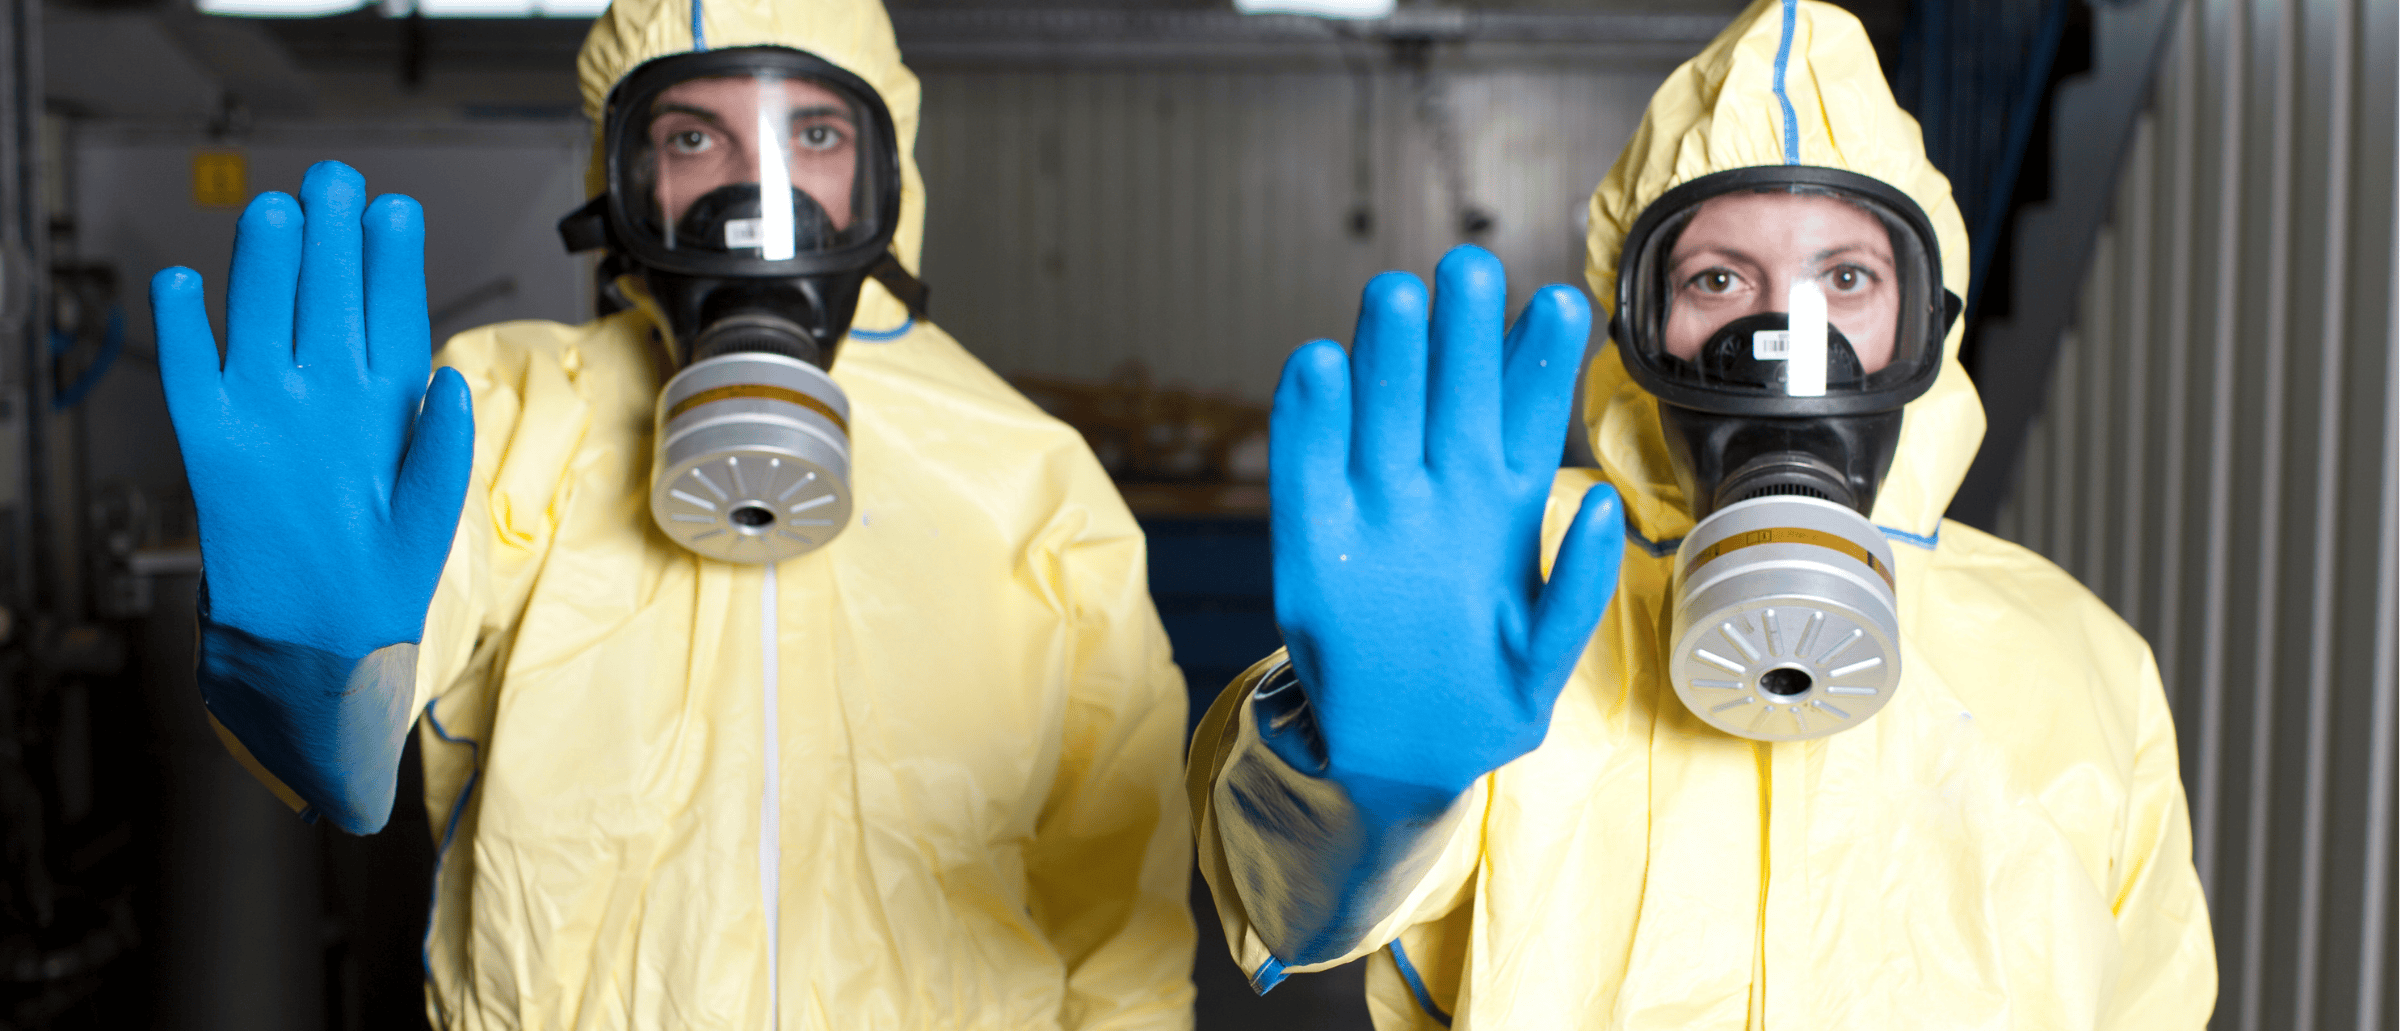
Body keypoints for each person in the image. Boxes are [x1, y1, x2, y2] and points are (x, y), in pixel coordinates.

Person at [148, 0, 1198, 1026]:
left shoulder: (1029, 478)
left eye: (816, 133)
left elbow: (1122, 911)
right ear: (620, 180)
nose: (753, 196)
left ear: (887, 176)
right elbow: (352, 737)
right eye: (693, 135)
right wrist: (305, 662)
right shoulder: (505, 413)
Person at [1187, 1, 2216, 1027]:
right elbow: (1291, 910)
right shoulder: (1508, 578)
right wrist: (1357, 786)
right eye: (1718, 279)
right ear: (1641, 328)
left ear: (1925, 324)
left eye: (1847, 277)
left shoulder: (2081, 661)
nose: (1781, 342)